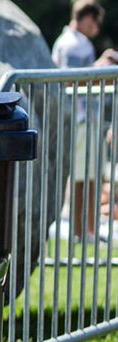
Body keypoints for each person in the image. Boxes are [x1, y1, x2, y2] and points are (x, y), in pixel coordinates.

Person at [51, 0, 118, 240]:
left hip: (83, 119)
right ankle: (83, 232)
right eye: (96, 23)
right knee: (82, 178)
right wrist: (100, 67)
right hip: (80, 119)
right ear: (88, 19)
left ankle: (87, 230)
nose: (97, 29)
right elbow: (70, 81)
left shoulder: (73, 43)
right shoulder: (73, 44)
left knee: (90, 177)